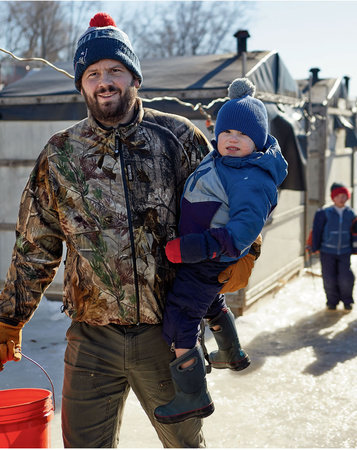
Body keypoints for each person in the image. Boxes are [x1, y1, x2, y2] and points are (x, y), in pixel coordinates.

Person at [0, 12, 218, 448]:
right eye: (94, 73)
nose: (105, 81)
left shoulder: (178, 138)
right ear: (81, 84)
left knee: (185, 444)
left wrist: (235, 266)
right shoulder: (60, 153)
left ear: (134, 77)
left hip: (167, 335)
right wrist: (9, 318)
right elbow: (35, 246)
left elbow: (227, 212)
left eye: (115, 70)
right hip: (91, 338)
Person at [154, 78, 288, 424]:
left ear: (256, 141)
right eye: (226, 131)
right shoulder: (228, 162)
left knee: (181, 319)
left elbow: (243, 233)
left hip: (207, 259)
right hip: (207, 261)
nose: (231, 139)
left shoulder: (251, 177)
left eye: (242, 135)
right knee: (212, 303)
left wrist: (194, 247)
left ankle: (192, 396)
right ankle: (231, 353)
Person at [307, 182, 356, 311]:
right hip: (327, 251)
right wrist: (313, 246)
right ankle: (332, 302)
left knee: (346, 278)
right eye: (338, 196)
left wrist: (354, 248)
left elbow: (354, 232)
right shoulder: (324, 213)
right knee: (329, 278)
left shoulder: (351, 214)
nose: (342, 198)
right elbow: (316, 231)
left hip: (344, 251)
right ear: (333, 197)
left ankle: (347, 301)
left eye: (344, 196)